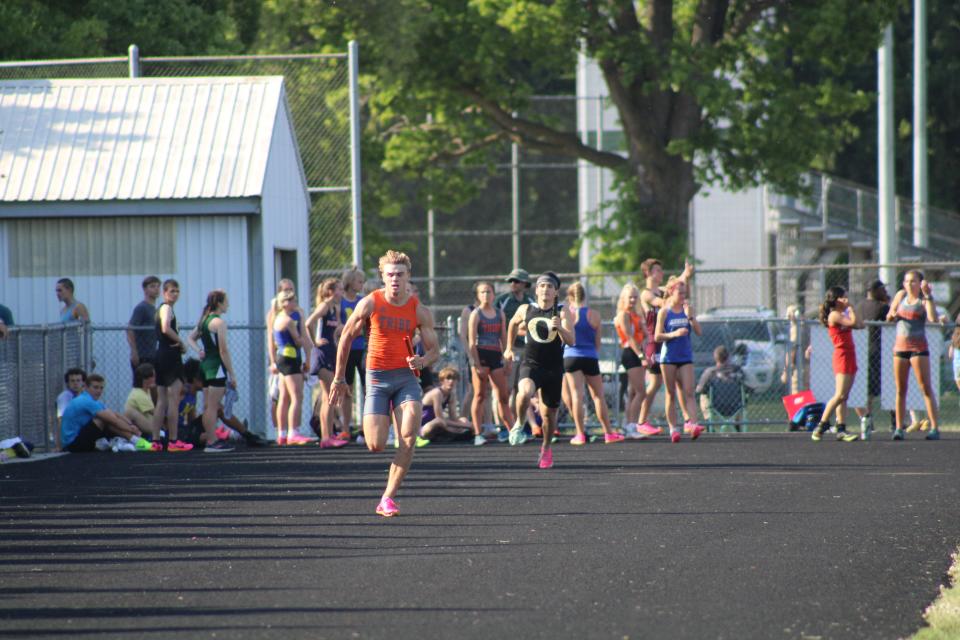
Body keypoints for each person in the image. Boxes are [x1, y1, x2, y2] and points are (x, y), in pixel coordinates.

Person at [329, 250, 440, 517]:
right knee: (375, 444)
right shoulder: (370, 303)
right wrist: (339, 377)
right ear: (382, 276)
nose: (395, 279)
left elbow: (434, 350)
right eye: (390, 274)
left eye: (400, 274)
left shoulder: (418, 310)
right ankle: (387, 416)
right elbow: (345, 338)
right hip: (377, 379)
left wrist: (422, 361)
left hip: (405, 378)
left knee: (409, 436)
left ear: (408, 277)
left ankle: (387, 498)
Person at [504, 271, 575, 469]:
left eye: (550, 287)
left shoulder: (562, 311)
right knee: (524, 393)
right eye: (542, 286)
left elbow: (571, 340)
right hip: (531, 364)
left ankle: (546, 448)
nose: (545, 290)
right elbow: (512, 324)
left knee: (549, 414)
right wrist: (509, 348)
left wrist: (560, 328)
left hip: (553, 368)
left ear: (555, 292)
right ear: (536, 290)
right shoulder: (526, 309)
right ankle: (519, 423)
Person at [561, 282, 623, 445]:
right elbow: (597, 342)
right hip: (589, 357)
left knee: (576, 396)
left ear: (569, 296)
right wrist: (591, 353)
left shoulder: (566, 314)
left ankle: (580, 434)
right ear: (585, 296)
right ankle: (608, 433)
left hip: (570, 357)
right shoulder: (594, 315)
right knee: (598, 396)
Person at [637, 259, 694, 432]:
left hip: (668, 342)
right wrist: (678, 285)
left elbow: (677, 292)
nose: (661, 274)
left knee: (679, 382)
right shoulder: (646, 293)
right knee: (655, 383)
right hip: (655, 342)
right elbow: (664, 302)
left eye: (662, 271)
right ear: (648, 273)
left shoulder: (663, 290)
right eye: (657, 271)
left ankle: (687, 420)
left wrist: (686, 276)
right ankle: (641, 421)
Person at [886, 270, 941, 441]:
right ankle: (898, 428)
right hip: (900, 348)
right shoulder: (900, 296)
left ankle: (934, 427)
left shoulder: (923, 299)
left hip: (918, 348)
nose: (910, 284)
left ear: (920, 283)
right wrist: (893, 315)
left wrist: (929, 296)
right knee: (901, 389)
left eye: (913, 281)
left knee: (925, 387)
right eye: (907, 281)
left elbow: (932, 318)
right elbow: (889, 315)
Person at [654, 276, 705, 443]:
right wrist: (674, 334)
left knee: (689, 391)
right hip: (668, 357)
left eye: (685, 293)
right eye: (680, 293)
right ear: (671, 292)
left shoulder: (688, 309)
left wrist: (691, 318)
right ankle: (673, 429)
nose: (683, 296)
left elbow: (699, 332)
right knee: (670, 393)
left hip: (685, 356)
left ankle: (693, 424)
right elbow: (657, 336)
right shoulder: (664, 312)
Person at [187, 289, 238, 453]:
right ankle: (211, 441)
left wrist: (199, 351)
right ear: (219, 303)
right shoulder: (219, 323)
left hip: (205, 366)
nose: (228, 304)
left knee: (208, 405)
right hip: (216, 367)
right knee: (213, 407)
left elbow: (190, 338)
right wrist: (232, 373)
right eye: (226, 301)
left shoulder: (204, 320)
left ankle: (211, 439)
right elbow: (223, 350)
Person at [810, 287, 861, 443]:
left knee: (844, 396)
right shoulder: (834, 315)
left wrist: (851, 310)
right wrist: (851, 308)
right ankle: (822, 425)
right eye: (844, 297)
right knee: (839, 395)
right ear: (837, 299)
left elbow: (860, 324)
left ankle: (841, 428)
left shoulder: (844, 314)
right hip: (842, 355)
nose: (847, 300)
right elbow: (853, 322)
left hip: (850, 354)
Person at [466, 281, 514, 446]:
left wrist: (507, 359)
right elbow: (471, 342)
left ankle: (511, 431)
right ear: (478, 296)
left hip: (496, 356)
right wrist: (476, 364)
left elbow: (504, 338)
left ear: (494, 294)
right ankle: (478, 434)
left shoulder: (500, 314)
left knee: (503, 395)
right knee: (479, 395)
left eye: (488, 292)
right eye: (483, 292)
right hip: (481, 355)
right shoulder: (476, 314)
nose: (486, 295)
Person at [306, 278, 348, 449]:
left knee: (328, 397)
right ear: (330, 291)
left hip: (331, 353)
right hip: (321, 355)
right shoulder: (324, 305)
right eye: (338, 289)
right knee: (329, 396)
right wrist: (314, 342)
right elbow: (309, 322)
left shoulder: (335, 308)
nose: (341, 293)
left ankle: (329, 435)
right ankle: (325, 437)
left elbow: (338, 329)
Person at [151, 279, 193, 452]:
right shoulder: (166, 308)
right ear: (164, 293)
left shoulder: (161, 309)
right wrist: (181, 342)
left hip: (161, 354)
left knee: (161, 400)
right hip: (169, 355)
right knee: (174, 399)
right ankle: (174, 441)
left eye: (177, 291)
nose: (175, 294)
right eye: (171, 291)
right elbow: (165, 328)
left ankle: (156, 441)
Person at [60, 374, 147, 453]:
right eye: (95, 387)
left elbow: (115, 414)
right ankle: (137, 441)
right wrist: (131, 429)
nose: (99, 391)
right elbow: (114, 420)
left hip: (80, 439)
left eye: (101, 388)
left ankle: (132, 441)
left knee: (108, 418)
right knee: (103, 420)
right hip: (73, 445)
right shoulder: (86, 401)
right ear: (86, 387)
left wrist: (130, 425)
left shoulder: (91, 400)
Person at [614, 283, 655, 438]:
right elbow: (629, 337)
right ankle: (632, 426)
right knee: (641, 392)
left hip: (638, 352)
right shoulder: (623, 314)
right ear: (624, 298)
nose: (632, 300)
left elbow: (645, 334)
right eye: (630, 297)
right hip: (631, 354)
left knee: (633, 393)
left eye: (635, 297)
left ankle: (628, 424)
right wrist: (641, 356)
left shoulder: (637, 314)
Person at [273, 290, 313, 445]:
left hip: (283, 358)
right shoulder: (287, 320)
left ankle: (282, 433)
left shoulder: (280, 318)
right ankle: (293, 432)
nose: (294, 302)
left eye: (294, 299)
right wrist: (305, 343)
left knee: (284, 397)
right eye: (290, 300)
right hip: (290, 358)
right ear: (283, 303)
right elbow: (298, 341)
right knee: (297, 396)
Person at [853, 280, 892, 439]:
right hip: (879, 351)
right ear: (875, 290)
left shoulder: (859, 306)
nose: (885, 291)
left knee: (867, 389)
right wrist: (889, 303)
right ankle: (895, 421)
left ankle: (868, 420)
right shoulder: (882, 307)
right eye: (883, 288)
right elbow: (892, 319)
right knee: (888, 387)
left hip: (863, 350)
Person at [496, 268, 535, 397]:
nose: (513, 283)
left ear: (525, 284)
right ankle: (502, 418)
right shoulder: (502, 301)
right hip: (509, 348)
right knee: (505, 389)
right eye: (511, 281)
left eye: (516, 281)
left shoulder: (531, 301)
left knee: (521, 389)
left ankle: (516, 417)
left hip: (527, 349)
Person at [340, 266, 368, 438]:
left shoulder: (363, 300)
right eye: (359, 281)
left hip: (362, 349)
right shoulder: (340, 302)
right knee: (347, 390)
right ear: (350, 282)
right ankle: (345, 427)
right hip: (348, 350)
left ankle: (367, 426)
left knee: (368, 390)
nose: (362, 284)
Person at [416, 367, 473, 447]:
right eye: (448, 378)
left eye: (454, 379)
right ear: (442, 381)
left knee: (464, 420)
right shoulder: (437, 393)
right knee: (440, 422)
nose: (451, 381)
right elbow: (439, 418)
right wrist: (466, 426)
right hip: (423, 427)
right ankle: (454, 435)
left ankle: (448, 436)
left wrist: (466, 423)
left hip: (438, 426)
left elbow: (454, 418)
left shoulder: (451, 395)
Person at [696, 346, 745, 431]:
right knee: (742, 394)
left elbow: (699, 390)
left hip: (715, 406)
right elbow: (747, 385)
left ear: (715, 358)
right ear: (728, 357)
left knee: (703, 397)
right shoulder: (737, 370)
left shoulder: (710, 372)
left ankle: (709, 422)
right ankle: (738, 425)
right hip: (736, 406)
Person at [126, 276, 161, 384]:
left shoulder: (155, 309)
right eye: (152, 286)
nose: (156, 289)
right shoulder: (142, 308)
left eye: (158, 286)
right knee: (141, 385)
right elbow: (130, 329)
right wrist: (134, 352)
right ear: (145, 289)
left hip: (152, 354)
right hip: (142, 356)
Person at [124, 363, 161, 444]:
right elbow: (156, 413)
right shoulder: (138, 394)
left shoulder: (146, 391)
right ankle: (161, 434)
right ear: (146, 378)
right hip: (144, 429)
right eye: (153, 376)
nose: (155, 378)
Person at [55, 368, 87, 450]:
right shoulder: (65, 397)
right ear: (67, 383)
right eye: (72, 381)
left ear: (83, 382)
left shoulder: (85, 395)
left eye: (78, 380)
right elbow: (61, 420)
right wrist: (59, 446)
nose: (75, 383)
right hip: (72, 437)